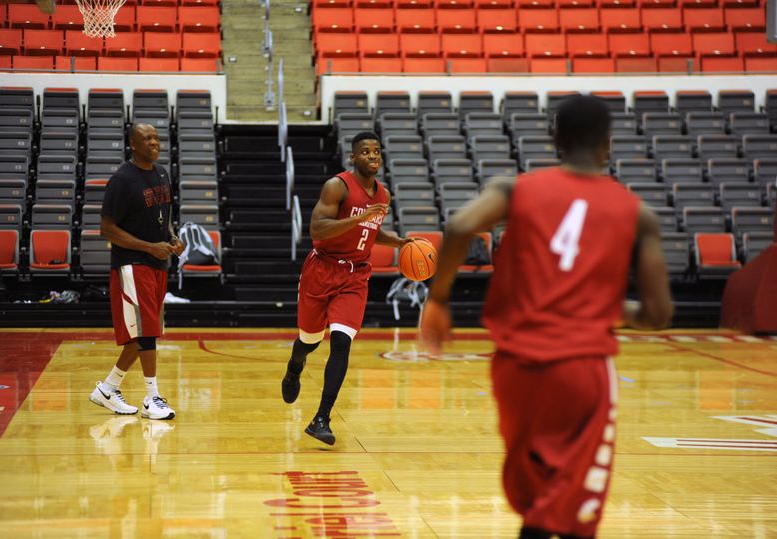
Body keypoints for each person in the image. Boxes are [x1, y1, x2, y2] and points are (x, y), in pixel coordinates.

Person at [420, 95, 673, 539]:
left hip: (514, 369)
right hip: (582, 370)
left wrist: (439, 300)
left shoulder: (514, 189)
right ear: (607, 145)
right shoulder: (638, 214)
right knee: (572, 505)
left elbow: (459, 227)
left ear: (555, 139)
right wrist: (604, 305)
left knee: (537, 495)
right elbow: (657, 314)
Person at [281, 131, 413, 445]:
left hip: (355, 277)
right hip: (322, 269)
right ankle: (294, 366)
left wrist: (395, 240)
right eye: (365, 152)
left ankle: (321, 418)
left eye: (377, 151)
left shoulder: (383, 195)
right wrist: (360, 218)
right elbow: (318, 229)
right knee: (309, 340)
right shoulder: (337, 186)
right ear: (353, 157)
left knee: (341, 342)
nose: (373, 156)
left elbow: (370, 231)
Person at [89, 123, 184, 421]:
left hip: (157, 263)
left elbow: (164, 217)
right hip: (132, 264)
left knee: (142, 332)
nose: (154, 143)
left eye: (156, 138)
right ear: (133, 144)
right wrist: (148, 247)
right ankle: (152, 398)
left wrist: (171, 239)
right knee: (146, 332)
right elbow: (107, 229)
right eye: (147, 139)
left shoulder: (163, 174)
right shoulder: (122, 179)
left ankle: (107, 389)